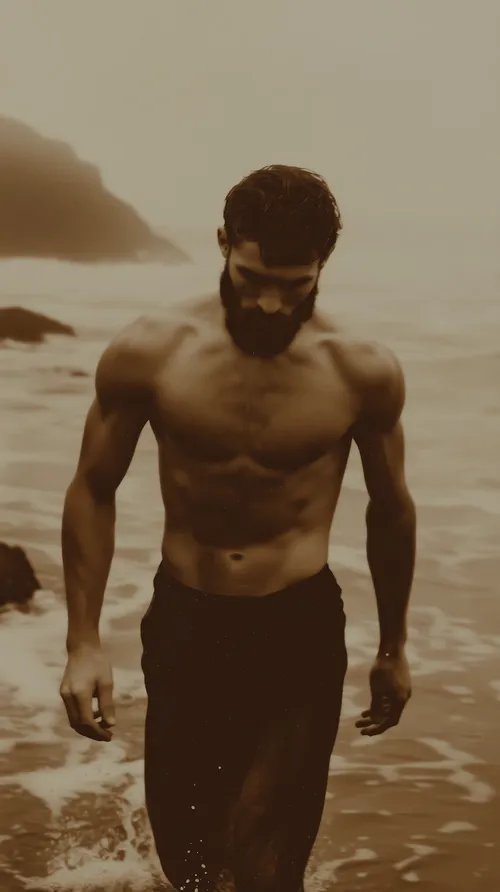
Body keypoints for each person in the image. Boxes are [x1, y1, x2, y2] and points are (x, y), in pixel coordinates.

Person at [59, 165, 416, 892]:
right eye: (252, 274)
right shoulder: (151, 352)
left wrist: (394, 646)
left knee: (262, 866)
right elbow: (94, 488)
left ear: (323, 265)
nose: (270, 300)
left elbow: (391, 508)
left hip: (296, 625)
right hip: (188, 620)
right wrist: (84, 641)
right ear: (223, 242)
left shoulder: (362, 371)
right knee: (189, 862)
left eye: (294, 281)